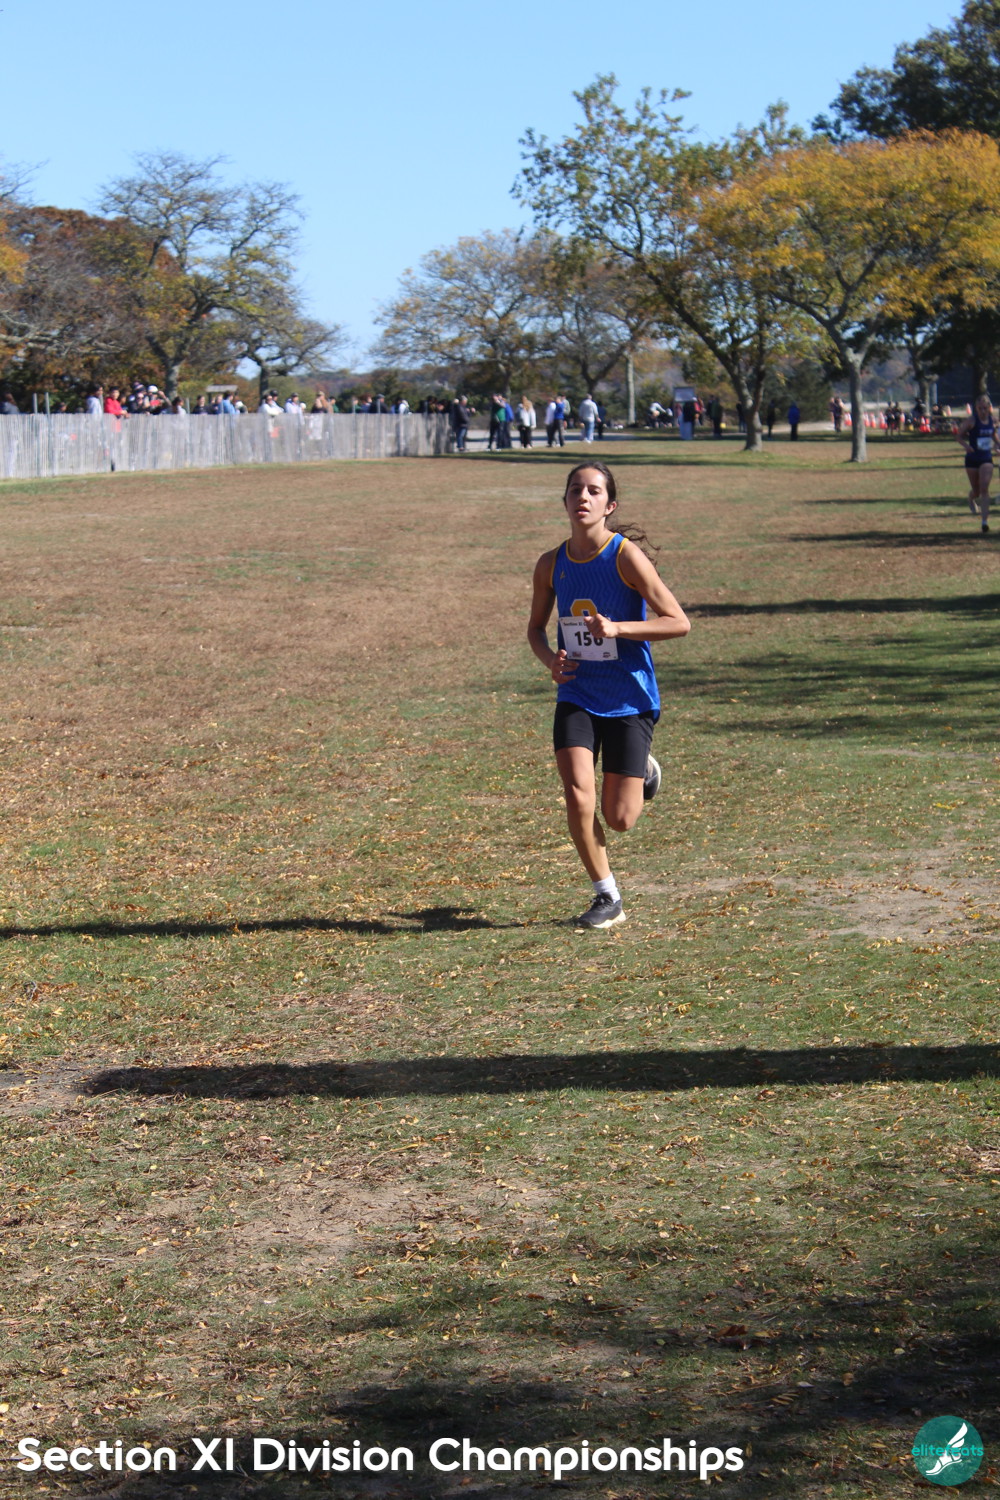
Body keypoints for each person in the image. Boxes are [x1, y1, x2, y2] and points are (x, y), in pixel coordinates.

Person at [527, 462, 691, 930]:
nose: (583, 497)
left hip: (629, 697)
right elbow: (536, 630)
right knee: (578, 794)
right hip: (577, 693)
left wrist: (618, 629)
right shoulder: (550, 564)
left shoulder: (625, 557)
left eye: (594, 491)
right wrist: (551, 661)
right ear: (565, 501)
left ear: (609, 505)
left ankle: (643, 770)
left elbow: (678, 622)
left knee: (620, 818)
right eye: (575, 490)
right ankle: (607, 896)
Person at [956, 393, 998, 533]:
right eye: (980, 408)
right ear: (976, 408)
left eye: (985, 408)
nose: (983, 411)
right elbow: (959, 436)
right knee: (977, 491)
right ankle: (971, 499)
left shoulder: (993, 420)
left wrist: (998, 446)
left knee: (984, 488)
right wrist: (966, 446)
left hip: (986, 458)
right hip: (972, 458)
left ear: (989, 407)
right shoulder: (971, 421)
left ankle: (984, 522)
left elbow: (993, 436)